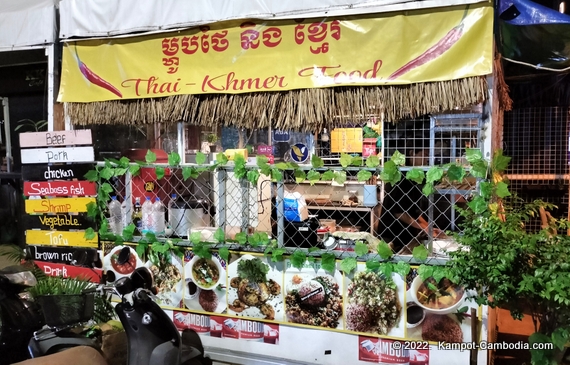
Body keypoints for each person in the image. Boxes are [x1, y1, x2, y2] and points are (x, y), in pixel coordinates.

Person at [377, 139, 447, 253]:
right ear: (411, 153)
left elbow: (413, 211)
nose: (426, 159)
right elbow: (399, 212)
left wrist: (430, 227)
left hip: (404, 236)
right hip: (390, 237)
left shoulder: (413, 177)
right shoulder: (402, 178)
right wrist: (425, 228)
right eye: (424, 154)